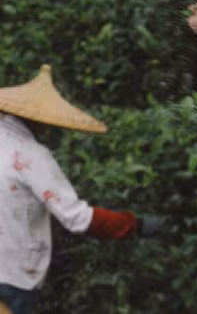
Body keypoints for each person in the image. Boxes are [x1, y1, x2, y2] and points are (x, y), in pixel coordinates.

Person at [0, 65, 163, 314]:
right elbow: (77, 218)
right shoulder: (31, 155)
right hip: (13, 277)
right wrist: (136, 225)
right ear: (38, 121)